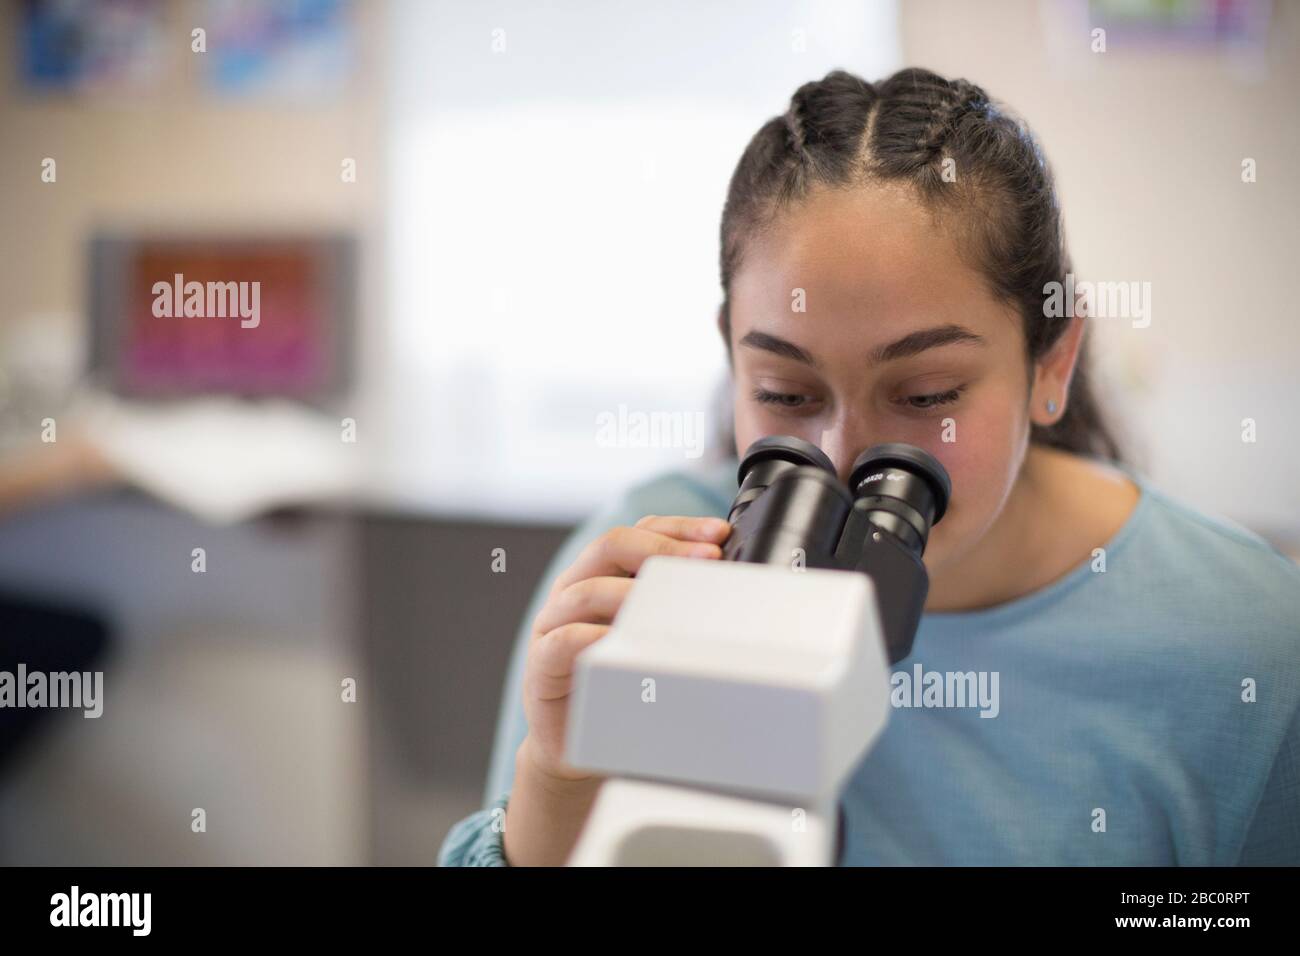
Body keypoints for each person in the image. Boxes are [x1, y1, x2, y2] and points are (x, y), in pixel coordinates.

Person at [438, 68, 1300, 866]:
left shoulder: (1245, 648)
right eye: (784, 391)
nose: (845, 462)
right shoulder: (643, 577)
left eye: (926, 395)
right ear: (732, 360)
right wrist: (557, 785)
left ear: (1052, 363)